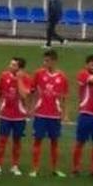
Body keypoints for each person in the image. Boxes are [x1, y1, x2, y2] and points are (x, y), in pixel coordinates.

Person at [29, 50, 69, 178]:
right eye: (44, 60)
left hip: (55, 115)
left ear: (54, 61)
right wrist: (30, 108)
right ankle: (35, 168)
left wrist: (66, 113)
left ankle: (55, 168)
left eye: (47, 60)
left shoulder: (62, 77)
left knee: (55, 142)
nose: (44, 63)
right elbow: (32, 91)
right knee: (37, 141)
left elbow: (64, 97)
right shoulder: (38, 74)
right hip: (41, 113)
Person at [0, 57, 31, 176]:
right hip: (6, 114)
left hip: (19, 115)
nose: (10, 66)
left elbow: (24, 95)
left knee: (17, 141)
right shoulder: (4, 76)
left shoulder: (26, 78)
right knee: (2, 140)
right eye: (11, 64)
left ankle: (14, 165)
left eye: (13, 65)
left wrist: (18, 80)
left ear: (20, 68)